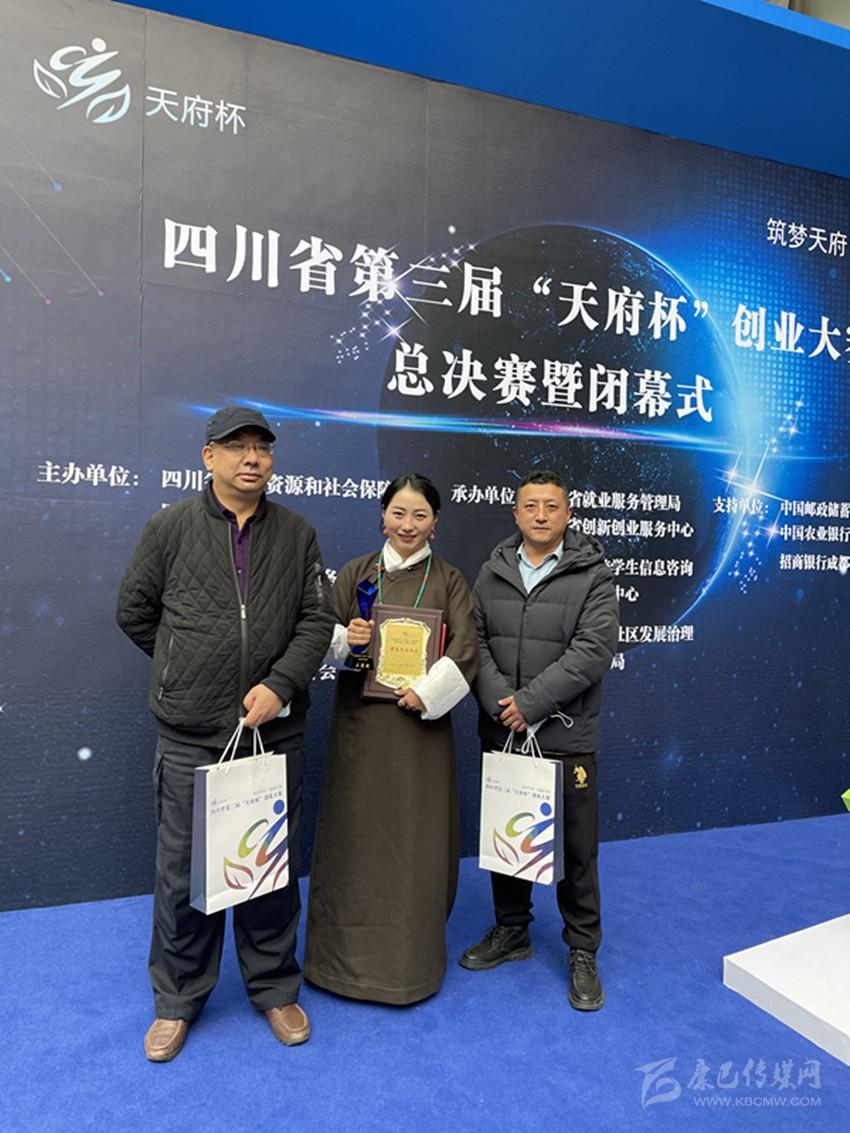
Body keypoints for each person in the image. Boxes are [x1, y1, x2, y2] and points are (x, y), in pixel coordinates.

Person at [117, 406, 335, 1061]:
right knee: (185, 876)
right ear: (208, 456)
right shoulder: (170, 527)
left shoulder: (297, 533)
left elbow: (316, 621)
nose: (252, 458)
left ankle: (274, 987)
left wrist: (279, 685)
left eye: (261, 448)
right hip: (192, 734)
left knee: (268, 871)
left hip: (273, 734)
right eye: (236, 446)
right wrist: (186, 668)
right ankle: (177, 999)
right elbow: (134, 611)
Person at [304, 473, 478, 1004]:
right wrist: (347, 639)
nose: (408, 525)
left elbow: (465, 652)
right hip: (360, 733)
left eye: (420, 515)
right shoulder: (356, 573)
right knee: (352, 838)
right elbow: (317, 635)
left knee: (413, 843)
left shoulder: (450, 580)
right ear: (383, 517)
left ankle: (408, 968)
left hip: (419, 738)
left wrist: (426, 692)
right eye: (398, 513)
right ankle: (337, 964)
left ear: (435, 523)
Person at [460, 469, 618, 1011]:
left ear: (568, 513)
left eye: (552, 505)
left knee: (577, 850)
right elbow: (474, 642)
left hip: (565, 735)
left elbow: (593, 651)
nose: (542, 515)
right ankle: (512, 930)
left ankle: (583, 950)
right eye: (531, 505)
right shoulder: (492, 572)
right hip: (503, 730)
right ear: (516, 513)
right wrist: (502, 702)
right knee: (509, 836)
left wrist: (530, 704)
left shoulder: (593, 575)